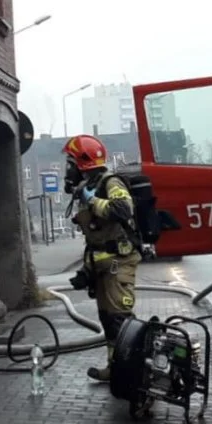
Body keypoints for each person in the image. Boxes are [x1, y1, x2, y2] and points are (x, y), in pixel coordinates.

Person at [62, 134, 142, 382]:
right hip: (104, 265)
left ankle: (133, 371)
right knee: (108, 320)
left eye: (71, 163)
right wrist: (86, 271)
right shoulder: (91, 186)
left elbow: (122, 209)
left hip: (120, 261)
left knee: (120, 318)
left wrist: (92, 201)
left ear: (83, 163)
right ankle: (114, 367)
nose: (68, 169)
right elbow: (95, 241)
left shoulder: (110, 183)